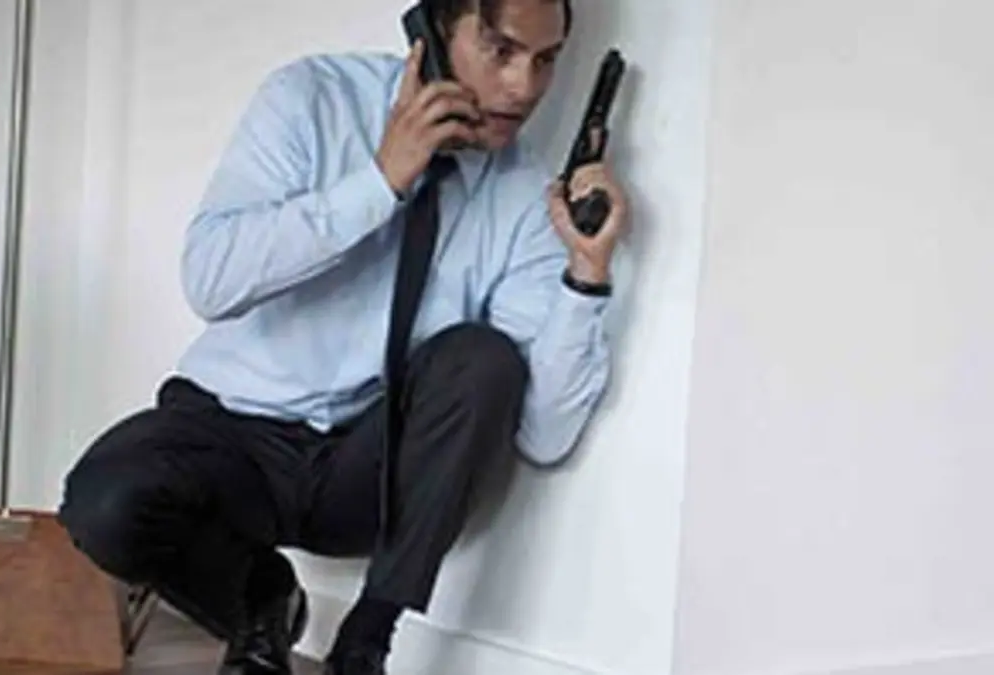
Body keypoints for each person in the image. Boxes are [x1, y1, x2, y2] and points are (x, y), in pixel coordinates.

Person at [57, 0, 627, 673]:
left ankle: (365, 644)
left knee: (484, 359)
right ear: (434, 34)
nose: (523, 87)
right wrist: (381, 181)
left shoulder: (528, 196)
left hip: (364, 465)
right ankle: (259, 598)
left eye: (545, 60)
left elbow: (544, 435)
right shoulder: (312, 99)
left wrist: (586, 275)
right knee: (103, 504)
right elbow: (209, 280)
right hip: (236, 437)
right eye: (500, 51)